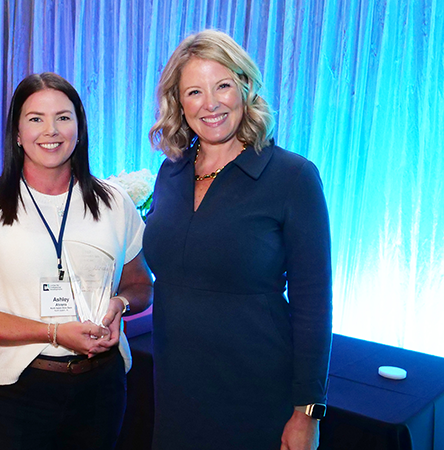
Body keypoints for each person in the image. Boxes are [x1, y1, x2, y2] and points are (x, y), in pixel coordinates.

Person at [144, 30, 333, 450]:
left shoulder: (293, 177)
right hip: (175, 393)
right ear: (178, 102)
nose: (210, 104)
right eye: (194, 91)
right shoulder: (170, 172)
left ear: (245, 88)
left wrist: (307, 412)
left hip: (256, 395)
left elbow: (313, 304)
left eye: (223, 86)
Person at [0, 72, 153, 450]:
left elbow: (141, 284)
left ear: (79, 126)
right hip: (18, 391)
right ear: (16, 132)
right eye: (36, 119)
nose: (51, 130)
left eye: (63, 117)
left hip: (102, 386)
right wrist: (54, 333)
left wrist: (120, 303)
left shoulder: (114, 202)